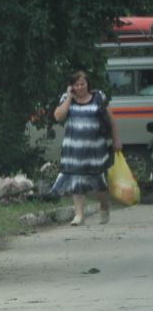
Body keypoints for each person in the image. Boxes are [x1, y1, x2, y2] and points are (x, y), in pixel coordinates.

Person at [48, 70, 120, 225]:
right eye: (76, 84)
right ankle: (79, 215)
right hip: (73, 150)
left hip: (96, 150)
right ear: (72, 86)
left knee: (99, 184)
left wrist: (116, 140)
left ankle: (104, 205)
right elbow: (58, 116)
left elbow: (111, 119)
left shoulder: (99, 97)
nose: (80, 87)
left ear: (88, 84)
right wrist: (69, 97)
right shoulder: (67, 99)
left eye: (82, 84)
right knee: (76, 182)